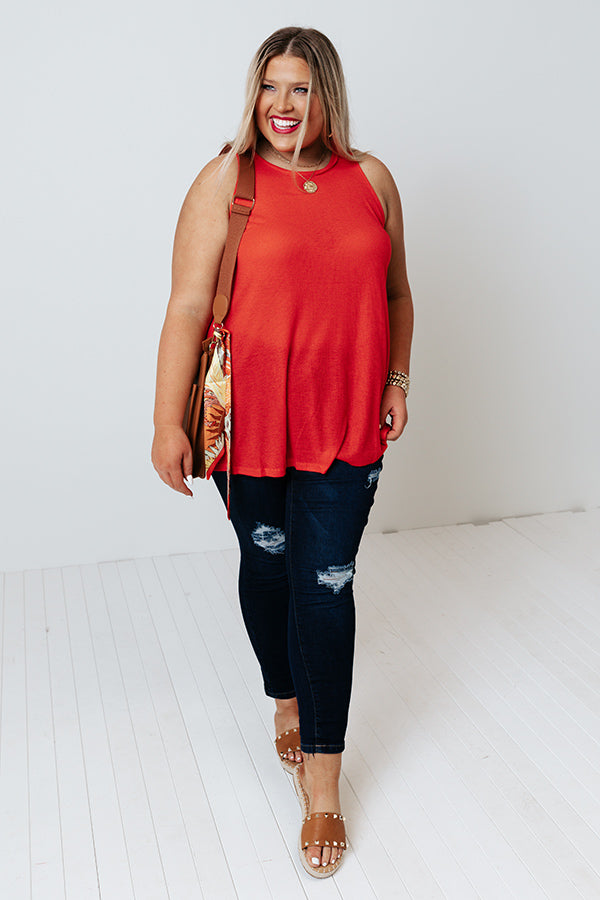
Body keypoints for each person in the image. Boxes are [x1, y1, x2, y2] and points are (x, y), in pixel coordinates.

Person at [151, 25, 413, 878]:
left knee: (325, 586)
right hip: (251, 425)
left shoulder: (371, 179)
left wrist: (397, 377)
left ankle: (324, 786)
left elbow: (397, 293)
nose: (283, 104)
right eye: (270, 86)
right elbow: (187, 307)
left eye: (300, 88)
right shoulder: (226, 180)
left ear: (326, 95)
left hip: (346, 422)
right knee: (267, 570)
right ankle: (285, 697)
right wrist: (166, 423)